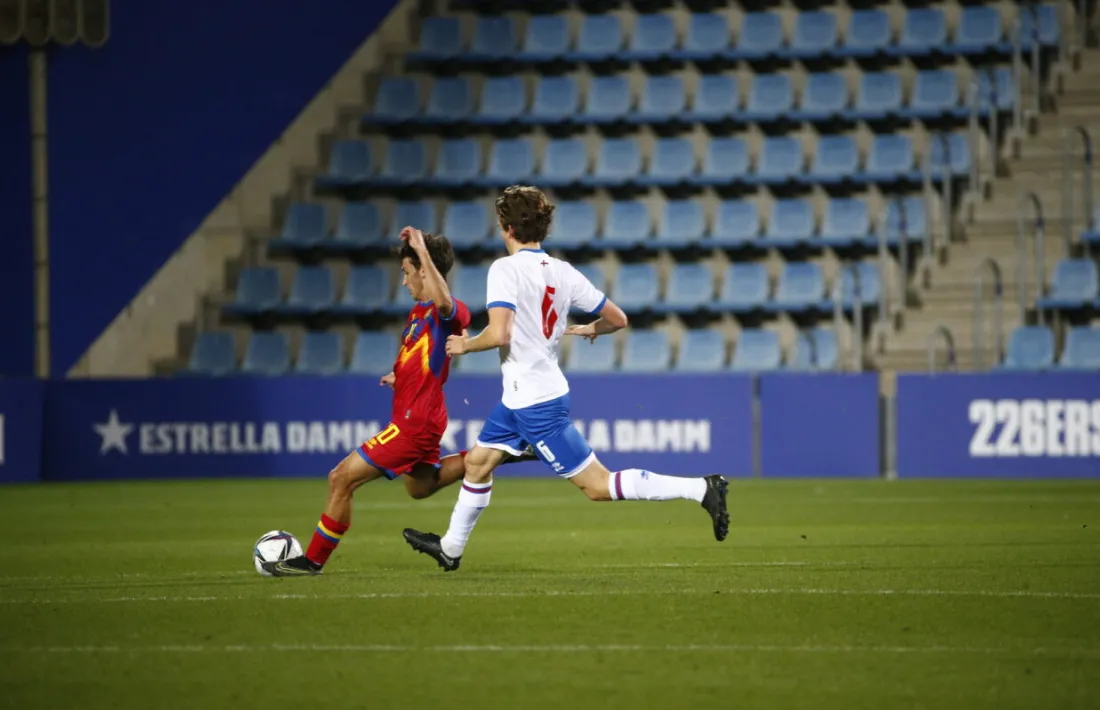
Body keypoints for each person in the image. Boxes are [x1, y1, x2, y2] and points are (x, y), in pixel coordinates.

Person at [402, 186, 730, 572]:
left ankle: (701, 488)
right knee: (477, 463)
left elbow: (500, 334)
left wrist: (465, 345)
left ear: (506, 228)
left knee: (598, 486)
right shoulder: (562, 271)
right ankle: (450, 549)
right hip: (523, 397)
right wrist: (592, 328)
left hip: (535, 403)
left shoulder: (505, 270)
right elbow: (618, 319)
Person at [263, 227, 534, 577]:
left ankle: (312, 561)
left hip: (414, 421)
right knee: (419, 486)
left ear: (423, 269)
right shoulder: (418, 314)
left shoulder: (445, 310)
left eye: (407, 272)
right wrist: (400, 377)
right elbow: (425, 359)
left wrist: (421, 250)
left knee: (340, 478)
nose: (404, 282)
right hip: (420, 413)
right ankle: (500, 450)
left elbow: (447, 305)